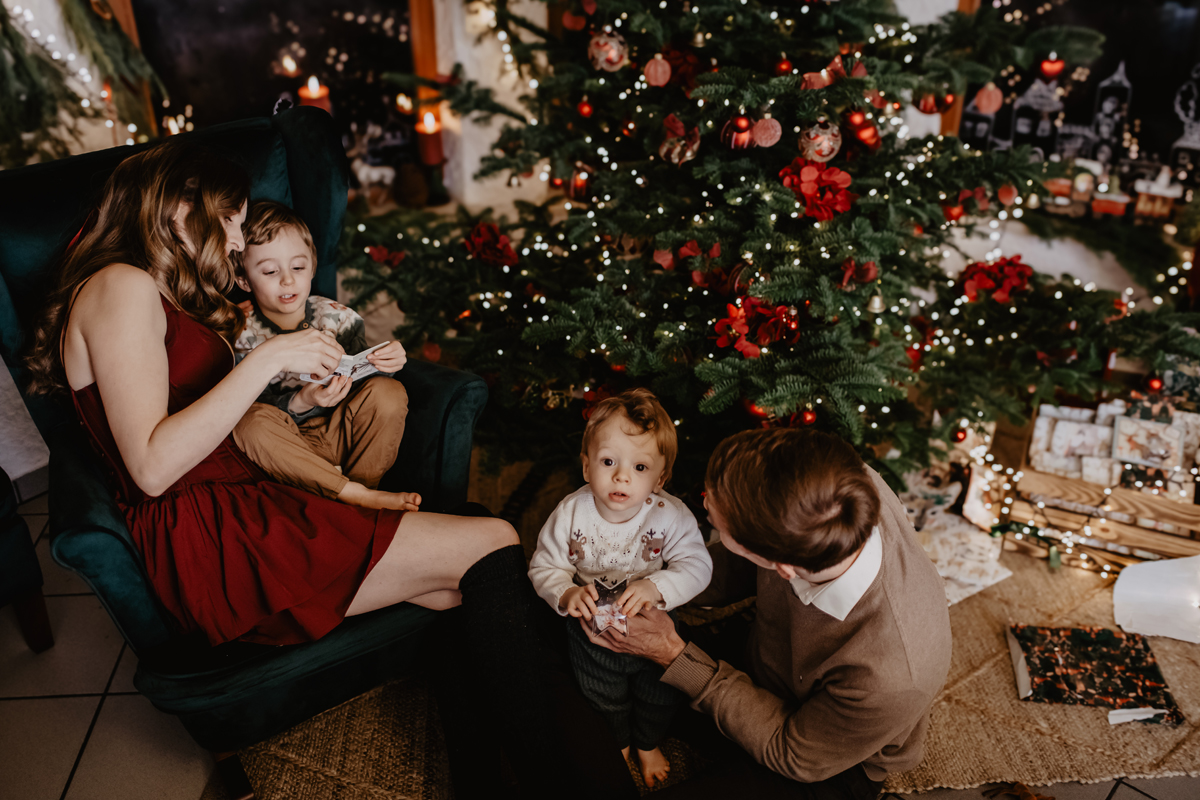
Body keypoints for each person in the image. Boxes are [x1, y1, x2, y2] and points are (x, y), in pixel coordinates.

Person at [24, 140, 593, 800]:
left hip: (239, 499)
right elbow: (151, 467)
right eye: (232, 217)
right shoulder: (120, 286)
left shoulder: (143, 288)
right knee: (494, 543)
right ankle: (554, 781)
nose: (237, 238)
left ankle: (483, 779)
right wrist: (268, 362)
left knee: (462, 580)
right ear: (183, 210)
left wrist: (299, 392)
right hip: (215, 534)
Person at [583, 427, 953, 799]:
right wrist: (656, 585)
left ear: (781, 566)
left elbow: (792, 752)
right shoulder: (839, 480)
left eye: (716, 521)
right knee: (597, 650)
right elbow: (736, 566)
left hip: (822, 756)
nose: (705, 503)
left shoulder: (893, 675)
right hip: (768, 658)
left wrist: (671, 653)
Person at [529, 389, 712, 787]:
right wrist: (565, 592)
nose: (622, 477)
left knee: (659, 693)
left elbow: (698, 566)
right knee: (600, 695)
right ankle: (620, 741)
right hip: (592, 631)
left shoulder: (671, 516)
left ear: (661, 477)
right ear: (585, 465)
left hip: (654, 622)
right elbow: (544, 564)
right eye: (608, 461)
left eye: (640, 467)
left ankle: (647, 742)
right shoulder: (571, 512)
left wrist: (657, 584)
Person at [229, 200, 419, 512]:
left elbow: (366, 386)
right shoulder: (238, 332)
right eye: (270, 271)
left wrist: (387, 364)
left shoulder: (338, 318)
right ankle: (353, 497)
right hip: (286, 450)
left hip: (340, 435)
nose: (288, 280)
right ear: (244, 280)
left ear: (313, 267)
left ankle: (361, 492)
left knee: (389, 392)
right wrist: (302, 401)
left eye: (298, 267)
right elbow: (239, 407)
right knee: (248, 423)